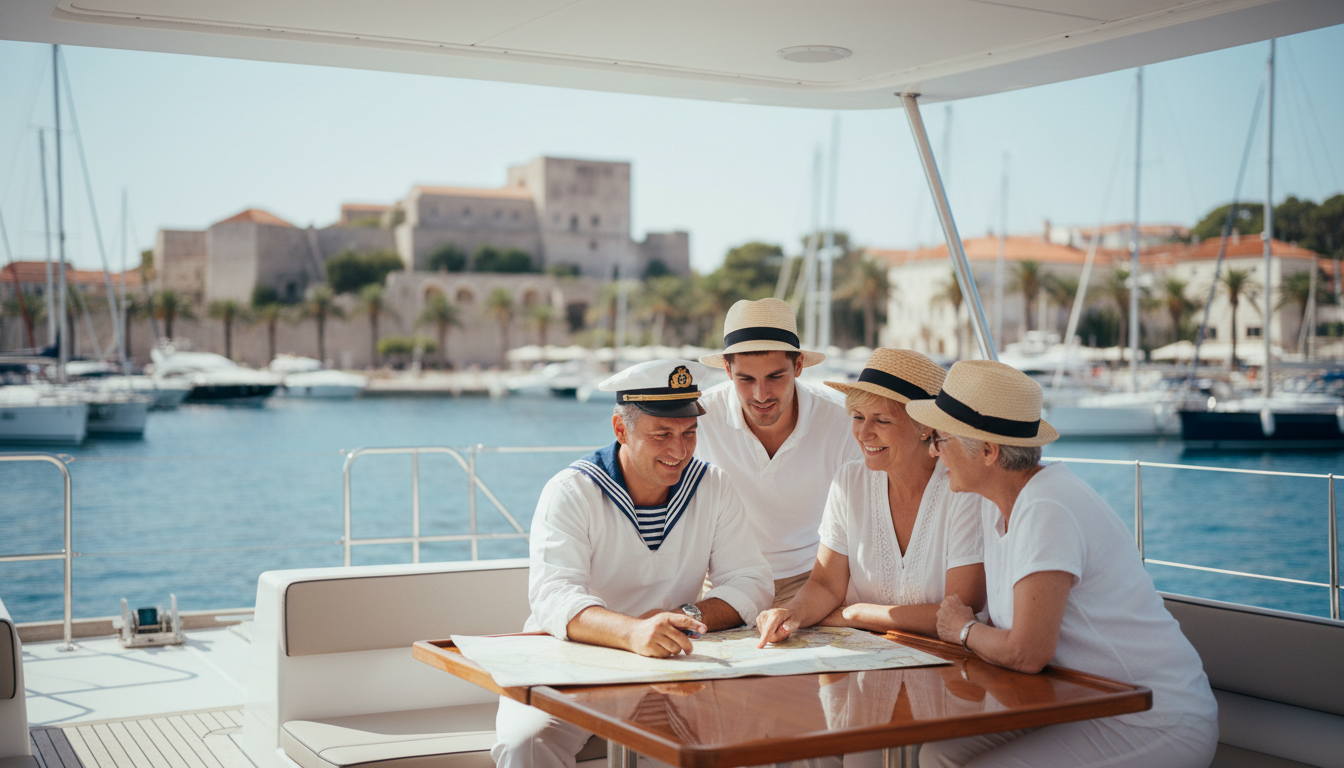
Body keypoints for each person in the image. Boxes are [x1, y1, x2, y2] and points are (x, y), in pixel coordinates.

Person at [904, 360, 1218, 768]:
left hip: (1151, 716)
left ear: (988, 451)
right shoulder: (994, 503)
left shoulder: (1047, 507)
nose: (933, 450)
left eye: (940, 439)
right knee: (938, 755)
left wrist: (962, 629)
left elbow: (1026, 654)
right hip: (1084, 700)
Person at [492, 359, 773, 768]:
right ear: (620, 430)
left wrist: (686, 615)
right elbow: (553, 596)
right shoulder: (571, 491)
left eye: (689, 433)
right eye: (662, 434)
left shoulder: (712, 486)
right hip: (567, 661)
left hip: (668, 663)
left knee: (750, 737)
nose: (679, 450)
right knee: (528, 743)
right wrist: (633, 632)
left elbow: (751, 581)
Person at [755, 348, 987, 768]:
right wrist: (790, 613)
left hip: (950, 678)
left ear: (923, 428)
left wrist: (859, 613)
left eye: (881, 420)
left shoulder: (961, 490)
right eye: (858, 418)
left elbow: (960, 608)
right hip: (863, 668)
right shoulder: (850, 480)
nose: (864, 433)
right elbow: (826, 584)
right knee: (807, 748)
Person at [697, 298, 862, 607]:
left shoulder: (843, 420)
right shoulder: (698, 417)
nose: (761, 395)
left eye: (775, 376)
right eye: (746, 379)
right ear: (728, 370)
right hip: (724, 582)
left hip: (817, 580)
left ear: (798, 366)